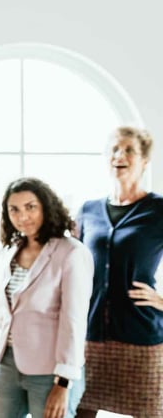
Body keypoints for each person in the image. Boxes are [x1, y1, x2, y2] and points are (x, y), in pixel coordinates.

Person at [76, 126, 163, 418]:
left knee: (148, 413)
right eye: (114, 149)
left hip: (141, 334)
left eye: (128, 150)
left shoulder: (158, 209)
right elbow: (73, 268)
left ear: (144, 161)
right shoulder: (88, 210)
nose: (119, 155)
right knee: (81, 411)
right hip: (90, 334)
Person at [0, 177, 93, 418]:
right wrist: (8, 325)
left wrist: (63, 382)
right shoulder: (11, 250)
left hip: (51, 371)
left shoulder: (71, 253)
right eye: (14, 209)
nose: (22, 216)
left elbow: (74, 321)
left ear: (46, 207)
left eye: (30, 207)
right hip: (8, 361)